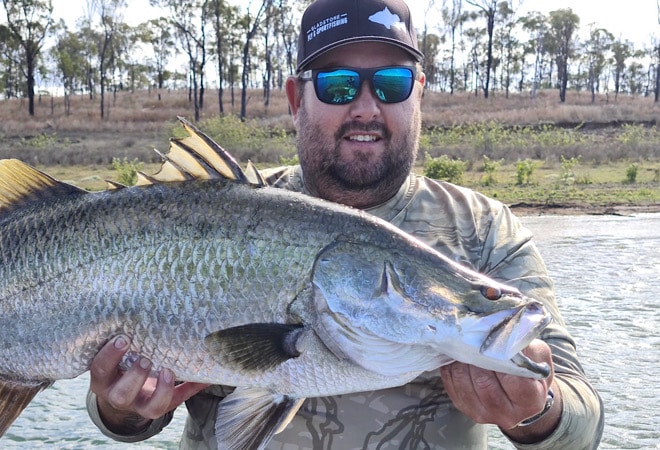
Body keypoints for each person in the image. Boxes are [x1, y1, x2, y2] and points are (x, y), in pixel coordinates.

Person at [85, 0, 605, 447]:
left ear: (418, 93)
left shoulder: (485, 231)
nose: (365, 106)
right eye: (337, 84)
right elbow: (115, 416)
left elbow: (584, 422)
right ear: (295, 99)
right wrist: (122, 410)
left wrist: (537, 412)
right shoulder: (208, 208)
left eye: (392, 83)